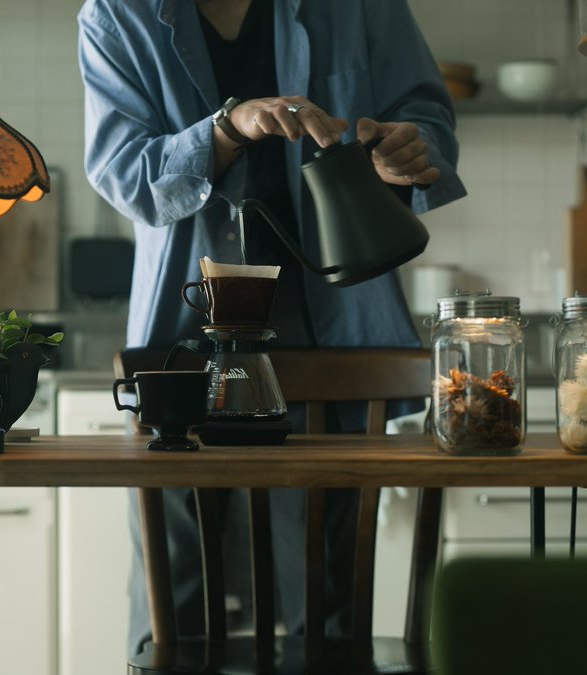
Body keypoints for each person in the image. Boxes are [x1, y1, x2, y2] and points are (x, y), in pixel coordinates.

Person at [78, 0, 467, 656]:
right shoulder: (117, 14)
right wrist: (227, 128)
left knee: (325, 608)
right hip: (183, 339)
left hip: (332, 333)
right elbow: (126, 173)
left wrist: (407, 150)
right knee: (176, 604)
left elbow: (427, 118)